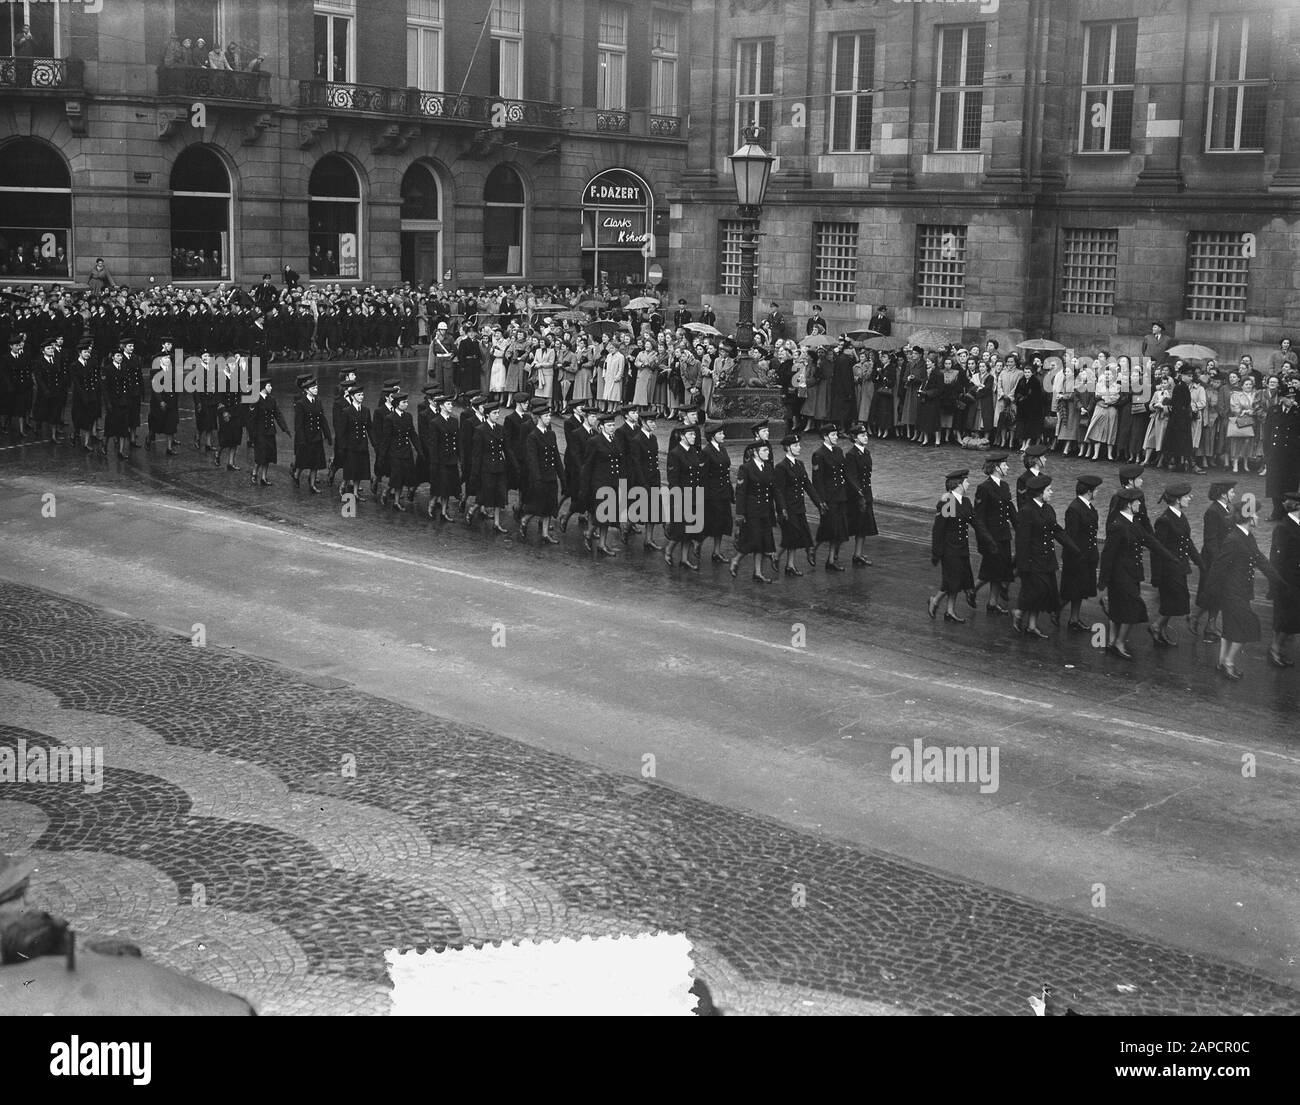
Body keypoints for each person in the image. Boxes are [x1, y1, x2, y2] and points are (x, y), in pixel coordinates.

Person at [1205, 501, 1293, 679]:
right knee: (1247, 626)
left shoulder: (1246, 536)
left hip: (1240, 591)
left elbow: (1261, 560)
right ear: (1249, 517)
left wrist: (1279, 582)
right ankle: (1229, 663)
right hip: (1232, 592)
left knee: (1230, 627)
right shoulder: (1234, 540)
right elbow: (1218, 568)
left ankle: (1222, 662)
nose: (1258, 517)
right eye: (1256, 514)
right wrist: (1210, 593)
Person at [1098, 487, 1180, 659]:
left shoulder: (1133, 523)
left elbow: (1150, 541)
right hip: (1120, 575)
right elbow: (1108, 555)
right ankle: (1119, 642)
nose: (1140, 505)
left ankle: (1113, 642)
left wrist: (1170, 557)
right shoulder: (1118, 526)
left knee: (1120, 608)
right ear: (1128, 504)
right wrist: (1103, 580)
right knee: (1133, 607)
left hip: (1131, 573)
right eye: (1137, 502)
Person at [1013, 474, 1077, 639]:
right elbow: (1022, 541)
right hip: (1033, 560)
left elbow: (1056, 530)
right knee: (1038, 591)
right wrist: (1023, 566)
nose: (1052, 492)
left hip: (1047, 558)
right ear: (1040, 493)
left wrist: (1073, 547)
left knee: (1044, 592)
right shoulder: (1026, 512)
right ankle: (1019, 611)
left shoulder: (1048, 509)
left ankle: (1032, 625)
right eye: (1048, 490)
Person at [1150, 482, 1202, 647]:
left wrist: (1201, 563)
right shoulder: (1164, 521)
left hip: (1179, 567)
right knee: (1175, 601)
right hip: (1168, 570)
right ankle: (1157, 626)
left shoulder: (1180, 516)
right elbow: (1157, 550)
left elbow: (1188, 543)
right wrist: (1156, 576)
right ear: (1178, 500)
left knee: (1175, 601)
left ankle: (1160, 628)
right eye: (1187, 497)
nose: (1189, 498)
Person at [928, 469, 983, 623]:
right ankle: (935, 600)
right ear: (959, 484)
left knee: (958, 581)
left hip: (962, 548)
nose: (968, 484)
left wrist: (987, 538)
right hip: (950, 550)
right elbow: (938, 529)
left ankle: (949, 611)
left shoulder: (965, 502)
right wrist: (936, 552)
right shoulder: (949, 502)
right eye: (966, 481)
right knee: (952, 581)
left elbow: (975, 522)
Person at [729, 439, 781, 583]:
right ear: (755, 453)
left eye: (767, 450)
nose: (768, 453)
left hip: (765, 510)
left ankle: (758, 572)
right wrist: (739, 514)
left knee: (763, 542)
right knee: (751, 540)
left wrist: (780, 508)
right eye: (764, 451)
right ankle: (736, 560)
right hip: (751, 511)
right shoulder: (745, 468)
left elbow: (774, 490)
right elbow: (740, 492)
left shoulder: (769, 468)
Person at [972, 453, 1016, 615]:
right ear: (996, 468)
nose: (1007, 467)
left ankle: (993, 603)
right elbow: (979, 518)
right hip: (991, 537)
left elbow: (1010, 510)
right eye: (1005, 465)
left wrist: (1020, 527)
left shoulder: (1004, 486)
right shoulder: (984, 488)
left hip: (1003, 535)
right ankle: (972, 591)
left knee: (1001, 570)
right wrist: (985, 541)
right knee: (990, 570)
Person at [1059, 474, 1103, 631]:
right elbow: (1071, 536)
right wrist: (1078, 555)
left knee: (1080, 590)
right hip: (1077, 556)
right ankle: (1056, 610)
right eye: (1096, 490)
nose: (1097, 493)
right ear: (1089, 492)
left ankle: (1074, 619)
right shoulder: (1074, 509)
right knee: (1072, 589)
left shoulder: (1088, 507)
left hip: (1087, 554)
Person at [519, 398, 564, 544]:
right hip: (540, 477)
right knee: (537, 505)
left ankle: (545, 534)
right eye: (546, 416)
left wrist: (562, 476)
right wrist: (536, 479)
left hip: (550, 475)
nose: (549, 419)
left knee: (549, 506)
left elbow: (556, 456)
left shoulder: (551, 434)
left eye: (549, 416)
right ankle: (525, 520)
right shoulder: (533, 436)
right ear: (539, 418)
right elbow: (532, 460)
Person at [580, 411, 623, 555]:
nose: (612, 428)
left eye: (613, 425)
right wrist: (585, 487)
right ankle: (589, 534)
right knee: (601, 515)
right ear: (602, 427)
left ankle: (602, 544)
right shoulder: (595, 441)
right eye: (609, 425)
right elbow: (587, 466)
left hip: (612, 483)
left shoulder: (615, 439)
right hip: (599, 484)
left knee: (608, 515)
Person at [1267, 488, 1300, 667]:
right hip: (1287, 581)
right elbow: (1277, 559)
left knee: (1291, 620)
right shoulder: (1283, 527)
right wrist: (1278, 584)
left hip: (1296, 580)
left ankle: (1278, 650)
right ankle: (1274, 650)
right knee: (1286, 620)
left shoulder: (1295, 525)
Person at [665, 421, 704, 571]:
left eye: (694, 434)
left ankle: (684, 558)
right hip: (682, 495)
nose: (694, 437)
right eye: (690, 434)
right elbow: (673, 479)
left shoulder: (694, 451)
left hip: (694, 494)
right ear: (682, 436)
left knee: (690, 530)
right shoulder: (675, 453)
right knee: (680, 529)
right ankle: (668, 550)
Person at [811, 425, 848, 571]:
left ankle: (831, 560)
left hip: (840, 495)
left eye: (836, 434)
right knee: (828, 527)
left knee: (839, 529)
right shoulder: (819, 454)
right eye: (833, 435)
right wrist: (821, 501)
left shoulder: (838, 451)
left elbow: (843, 472)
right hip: (829, 497)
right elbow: (817, 480)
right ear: (825, 437)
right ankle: (814, 548)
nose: (836, 437)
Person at [470, 401, 510, 533]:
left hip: (500, 467)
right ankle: (472, 510)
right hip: (486, 468)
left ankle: (497, 523)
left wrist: (513, 464)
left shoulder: (500, 429)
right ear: (487, 415)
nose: (497, 415)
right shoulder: (480, 430)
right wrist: (475, 472)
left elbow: (506, 449)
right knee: (484, 494)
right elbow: (476, 454)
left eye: (498, 413)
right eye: (494, 413)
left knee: (499, 495)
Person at [1263, 379, 1300, 521]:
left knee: (1290, 483)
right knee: (1274, 484)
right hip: (1275, 453)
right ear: (1282, 398)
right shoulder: (1273, 410)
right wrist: (1267, 453)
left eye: (1293, 397)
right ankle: (1277, 511)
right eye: (1289, 398)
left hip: (1292, 454)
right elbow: (1267, 433)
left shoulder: (1297, 412)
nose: (1292, 400)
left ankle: (1289, 512)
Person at [843, 422, 878, 567]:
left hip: (866, 493)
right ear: (855, 438)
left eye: (866, 435)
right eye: (862, 435)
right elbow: (851, 476)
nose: (865, 437)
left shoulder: (866, 452)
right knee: (853, 525)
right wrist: (859, 494)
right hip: (856, 496)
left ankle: (858, 554)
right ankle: (835, 554)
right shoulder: (851, 455)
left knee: (864, 526)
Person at [291, 375, 332, 494]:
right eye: (313, 388)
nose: (316, 390)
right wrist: (301, 439)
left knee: (315, 463)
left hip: (317, 436)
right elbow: (298, 424)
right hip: (306, 437)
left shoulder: (318, 402)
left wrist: (328, 435)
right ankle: (296, 475)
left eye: (316, 387)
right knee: (303, 461)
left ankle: (312, 484)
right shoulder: (301, 403)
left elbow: (322, 419)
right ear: (307, 390)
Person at [700, 423, 734, 565]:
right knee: (710, 522)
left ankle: (717, 552)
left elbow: (726, 470)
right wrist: (705, 496)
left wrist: (730, 491)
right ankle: (697, 543)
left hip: (724, 491)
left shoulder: (722, 449)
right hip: (712, 493)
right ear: (713, 436)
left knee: (722, 523)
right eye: (720, 434)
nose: (723, 436)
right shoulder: (706, 451)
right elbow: (703, 476)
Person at [385, 393, 425, 512]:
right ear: (397, 404)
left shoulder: (408, 416)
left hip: (406, 452)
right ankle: (396, 501)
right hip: (395, 453)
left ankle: (390, 494)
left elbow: (412, 434)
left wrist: (419, 450)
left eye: (407, 402)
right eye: (404, 402)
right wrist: (382, 455)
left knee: (406, 477)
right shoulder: (390, 418)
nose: (406, 404)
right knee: (397, 477)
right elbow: (386, 438)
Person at [426, 394, 461, 521]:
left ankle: (444, 511)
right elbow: (433, 444)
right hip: (441, 460)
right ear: (441, 406)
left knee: (448, 487)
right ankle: (431, 504)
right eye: (448, 404)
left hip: (451, 459)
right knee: (439, 485)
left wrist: (459, 457)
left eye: (451, 404)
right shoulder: (435, 422)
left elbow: (457, 441)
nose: (451, 406)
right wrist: (434, 462)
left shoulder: (454, 421)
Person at [249, 377, 288, 487]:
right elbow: (252, 419)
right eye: (269, 386)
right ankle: (255, 472)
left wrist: (284, 427)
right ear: (263, 388)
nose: (271, 388)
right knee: (260, 455)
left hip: (270, 431)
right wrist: (252, 436)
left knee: (269, 455)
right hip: (260, 432)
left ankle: (264, 477)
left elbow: (277, 414)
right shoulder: (255, 399)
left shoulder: (272, 400)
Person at [145, 334, 180, 454]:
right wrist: (160, 400)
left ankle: (169, 448)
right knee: (156, 423)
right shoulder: (156, 365)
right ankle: (149, 438)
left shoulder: (172, 366)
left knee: (171, 424)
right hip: (159, 400)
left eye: (168, 358)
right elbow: (155, 385)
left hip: (170, 399)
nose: (168, 360)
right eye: (165, 359)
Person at [337, 384, 371, 502]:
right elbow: (342, 432)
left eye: (362, 395)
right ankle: (344, 488)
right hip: (351, 445)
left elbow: (369, 428)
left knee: (360, 470)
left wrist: (375, 443)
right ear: (352, 396)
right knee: (351, 469)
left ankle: (356, 493)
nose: (361, 397)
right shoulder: (346, 411)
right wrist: (342, 447)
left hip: (362, 444)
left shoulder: (366, 410)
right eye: (358, 395)